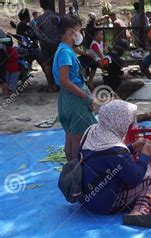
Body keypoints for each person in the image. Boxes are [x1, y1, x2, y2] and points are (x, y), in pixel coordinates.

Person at [80, 100, 151, 226]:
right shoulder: (116, 149)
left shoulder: (92, 131)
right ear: (119, 122)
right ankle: (138, 213)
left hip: (85, 197)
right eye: (129, 122)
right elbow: (134, 178)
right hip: (104, 203)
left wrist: (131, 148)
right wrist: (145, 156)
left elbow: (104, 158)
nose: (131, 125)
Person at [53, 15, 97, 162]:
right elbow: (65, 80)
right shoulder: (65, 52)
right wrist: (85, 97)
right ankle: (76, 170)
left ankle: (71, 169)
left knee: (71, 136)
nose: (81, 35)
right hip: (74, 100)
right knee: (78, 139)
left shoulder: (63, 49)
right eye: (79, 31)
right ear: (71, 32)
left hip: (67, 99)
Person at [36, 0, 59, 92]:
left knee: (47, 65)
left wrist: (44, 39)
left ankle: (52, 86)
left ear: (42, 6)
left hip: (45, 44)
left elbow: (37, 32)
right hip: (56, 44)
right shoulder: (57, 17)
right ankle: (59, 84)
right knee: (57, 63)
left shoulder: (40, 18)